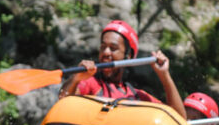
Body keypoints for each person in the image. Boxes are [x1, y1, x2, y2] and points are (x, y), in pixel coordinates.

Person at [58, 20, 186, 118]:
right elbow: (63, 101)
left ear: (128, 56)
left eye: (113, 48)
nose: (106, 53)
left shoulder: (138, 96)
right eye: (103, 47)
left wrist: (164, 75)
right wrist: (76, 78)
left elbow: (179, 118)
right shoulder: (90, 83)